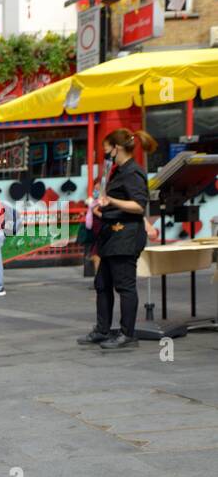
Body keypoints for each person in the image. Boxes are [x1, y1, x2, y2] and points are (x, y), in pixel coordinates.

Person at [78, 128, 157, 351]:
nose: (106, 154)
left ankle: (127, 333)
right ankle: (103, 330)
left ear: (117, 148)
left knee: (125, 286)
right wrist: (101, 208)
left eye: (107, 149)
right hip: (111, 234)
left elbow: (139, 206)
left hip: (126, 236)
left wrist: (110, 199)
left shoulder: (133, 172)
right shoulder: (117, 171)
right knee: (102, 284)